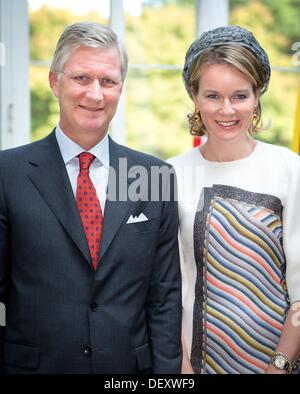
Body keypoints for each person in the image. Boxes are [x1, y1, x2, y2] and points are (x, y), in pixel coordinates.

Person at [0, 22, 182, 374]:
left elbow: (163, 298)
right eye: (81, 78)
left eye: (108, 81)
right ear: (55, 81)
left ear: (121, 88)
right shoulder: (9, 173)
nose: (95, 94)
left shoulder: (150, 176)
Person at [168, 25, 300, 374]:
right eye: (212, 96)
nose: (226, 110)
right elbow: (165, 287)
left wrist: (280, 365)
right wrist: (182, 364)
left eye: (240, 96)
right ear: (193, 96)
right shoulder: (168, 175)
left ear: (258, 95)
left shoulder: (289, 168)